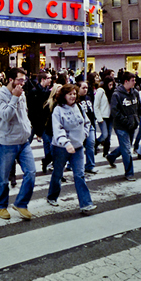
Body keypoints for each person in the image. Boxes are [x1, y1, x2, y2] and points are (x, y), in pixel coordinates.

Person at [0, 66, 36, 220]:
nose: (22, 83)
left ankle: (21, 203)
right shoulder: (0, 95)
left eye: (23, 80)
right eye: (19, 80)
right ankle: (0, 206)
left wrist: (29, 127)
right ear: (11, 80)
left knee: (31, 172)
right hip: (7, 142)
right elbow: (5, 115)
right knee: (4, 177)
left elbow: (24, 113)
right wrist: (14, 98)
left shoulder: (22, 93)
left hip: (23, 140)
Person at [47, 84, 97, 214]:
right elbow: (57, 130)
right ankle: (52, 196)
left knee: (79, 175)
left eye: (74, 94)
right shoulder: (58, 110)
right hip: (61, 148)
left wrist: (84, 135)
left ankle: (86, 204)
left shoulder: (79, 107)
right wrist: (66, 143)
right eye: (70, 94)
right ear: (64, 95)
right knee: (58, 173)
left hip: (78, 147)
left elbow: (87, 122)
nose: (73, 96)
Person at [106, 71, 141, 181]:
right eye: (132, 80)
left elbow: (138, 108)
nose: (134, 82)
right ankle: (129, 173)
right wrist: (126, 121)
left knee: (125, 146)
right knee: (126, 149)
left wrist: (137, 119)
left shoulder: (135, 93)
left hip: (132, 124)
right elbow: (115, 112)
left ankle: (111, 156)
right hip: (121, 126)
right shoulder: (117, 95)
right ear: (126, 81)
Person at [27, 71, 53, 174]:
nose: (50, 80)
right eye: (48, 78)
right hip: (34, 122)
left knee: (48, 143)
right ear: (43, 79)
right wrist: (35, 125)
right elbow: (31, 110)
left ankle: (47, 161)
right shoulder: (34, 92)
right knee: (25, 143)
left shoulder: (47, 91)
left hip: (43, 123)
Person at [76, 78, 98, 175]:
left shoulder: (89, 97)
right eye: (83, 88)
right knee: (77, 146)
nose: (85, 90)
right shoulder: (75, 99)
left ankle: (90, 165)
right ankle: (70, 163)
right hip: (79, 127)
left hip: (90, 125)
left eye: (86, 88)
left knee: (90, 144)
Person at [94, 75, 115, 158]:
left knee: (109, 136)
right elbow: (96, 105)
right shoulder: (100, 91)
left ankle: (106, 153)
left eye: (112, 85)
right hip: (102, 116)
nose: (111, 87)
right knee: (104, 134)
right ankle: (95, 144)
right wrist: (99, 118)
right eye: (109, 85)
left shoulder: (112, 92)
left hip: (110, 116)